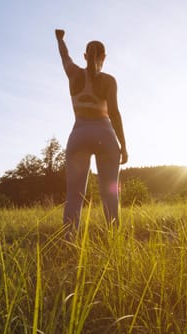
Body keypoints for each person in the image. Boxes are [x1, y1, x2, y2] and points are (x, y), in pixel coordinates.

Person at [55, 29, 128, 232]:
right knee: (110, 194)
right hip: (104, 134)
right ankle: (114, 240)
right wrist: (124, 145)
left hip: (79, 133)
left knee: (74, 195)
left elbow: (64, 55)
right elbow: (114, 113)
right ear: (104, 57)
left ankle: (69, 240)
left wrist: (60, 39)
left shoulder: (73, 73)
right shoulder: (109, 81)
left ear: (85, 56)